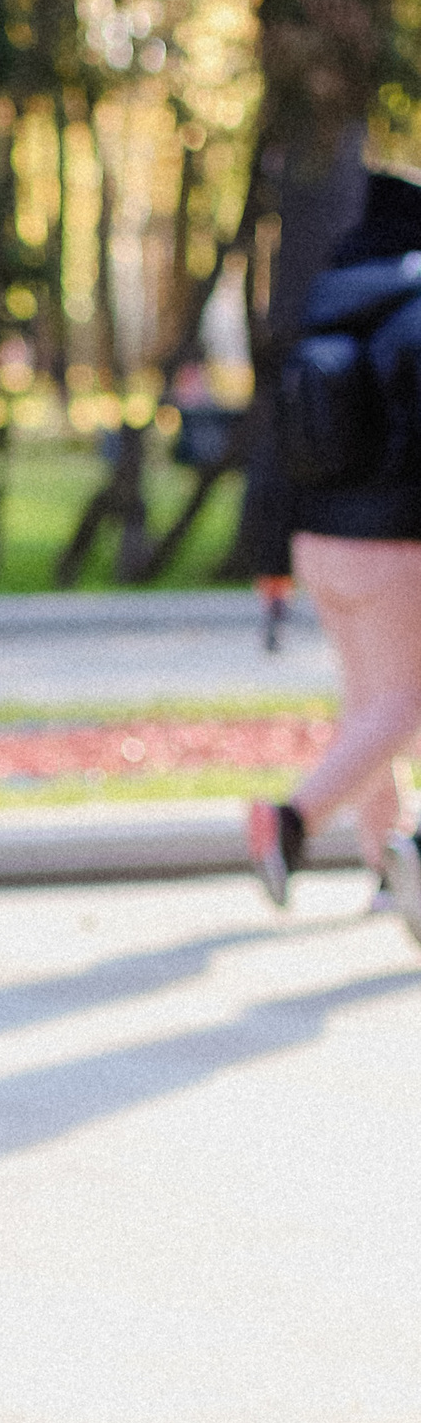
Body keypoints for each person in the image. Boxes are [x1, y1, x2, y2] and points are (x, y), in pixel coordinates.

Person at [246, 166, 421, 942]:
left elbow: (278, 443)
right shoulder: (413, 311)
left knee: (369, 708)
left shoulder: (326, 306)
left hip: (319, 541)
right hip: (391, 543)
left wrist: (271, 554)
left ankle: (387, 872)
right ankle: (290, 819)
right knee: (405, 706)